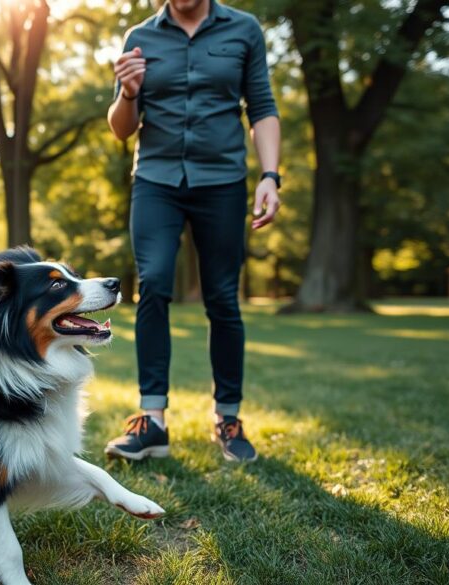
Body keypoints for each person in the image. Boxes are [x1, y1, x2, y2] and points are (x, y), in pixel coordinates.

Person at [104, 0, 281, 463]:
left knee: (222, 296)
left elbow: (261, 106)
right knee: (155, 283)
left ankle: (227, 418)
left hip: (222, 180)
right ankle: (153, 421)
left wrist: (270, 175)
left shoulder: (244, 29)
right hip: (156, 181)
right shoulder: (140, 36)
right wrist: (127, 93)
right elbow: (122, 130)